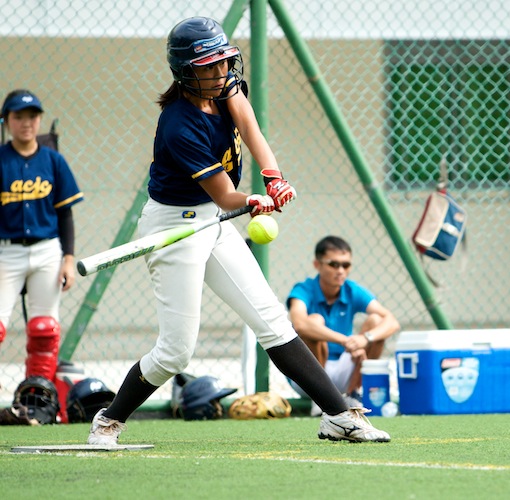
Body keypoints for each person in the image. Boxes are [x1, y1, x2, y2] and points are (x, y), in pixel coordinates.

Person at [86, 17, 390, 444]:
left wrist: (273, 177)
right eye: (209, 66)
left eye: (224, 62)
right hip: (176, 225)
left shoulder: (225, 87)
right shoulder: (179, 124)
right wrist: (252, 201)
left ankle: (339, 415)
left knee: (271, 320)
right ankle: (108, 420)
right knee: (176, 351)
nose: (221, 72)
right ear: (185, 72)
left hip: (213, 219)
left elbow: (250, 129)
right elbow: (227, 195)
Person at [0, 89, 83, 395]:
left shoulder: (53, 160)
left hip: (48, 250)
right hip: (5, 252)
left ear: (39, 120)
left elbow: (65, 215)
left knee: (44, 329)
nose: (26, 122)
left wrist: (69, 259)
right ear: (6, 121)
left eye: (32, 116)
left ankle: (37, 397)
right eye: (18, 116)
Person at [287, 236, 400, 415]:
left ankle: (353, 394)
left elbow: (392, 321)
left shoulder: (351, 289)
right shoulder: (303, 289)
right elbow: (299, 324)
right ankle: (321, 399)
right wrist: (346, 341)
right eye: (333, 264)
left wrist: (364, 339)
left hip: (344, 369)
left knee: (376, 322)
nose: (340, 271)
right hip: (306, 375)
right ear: (317, 264)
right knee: (314, 320)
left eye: (346, 265)